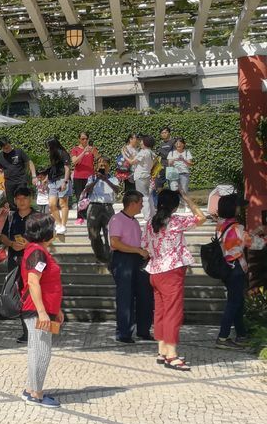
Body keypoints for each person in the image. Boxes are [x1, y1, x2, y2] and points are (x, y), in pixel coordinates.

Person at [144, 188, 205, 371]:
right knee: (172, 312)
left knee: (161, 311)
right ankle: (172, 355)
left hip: (155, 270)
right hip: (172, 271)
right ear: (175, 205)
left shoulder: (149, 223)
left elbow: (145, 246)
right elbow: (201, 218)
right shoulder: (176, 221)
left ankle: (162, 350)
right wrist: (188, 198)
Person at [18, 212, 63, 407]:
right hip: (38, 311)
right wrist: (43, 312)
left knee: (36, 349)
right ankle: (36, 393)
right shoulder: (37, 252)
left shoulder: (39, 251)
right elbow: (33, 282)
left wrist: (56, 310)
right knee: (42, 351)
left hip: (46, 309)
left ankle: (31, 389)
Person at [108, 191, 154, 344]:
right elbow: (114, 243)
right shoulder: (117, 219)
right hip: (123, 259)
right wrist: (137, 250)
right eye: (140, 202)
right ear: (132, 203)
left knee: (144, 295)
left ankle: (143, 329)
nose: (142, 206)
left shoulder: (133, 221)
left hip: (137, 259)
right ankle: (124, 332)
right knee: (125, 296)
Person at [0, 185, 34, 344]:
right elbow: (3, 237)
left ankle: (39, 329)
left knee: (34, 293)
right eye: (18, 198)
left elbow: (47, 237)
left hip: (33, 261)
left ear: (30, 199)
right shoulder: (11, 217)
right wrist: (11, 244)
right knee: (19, 294)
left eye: (24, 198)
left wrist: (29, 244)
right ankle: (27, 331)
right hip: (15, 260)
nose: (21, 201)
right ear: (14, 200)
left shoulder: (38, 217)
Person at [214, 194, 250, 349]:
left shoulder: (221, 224)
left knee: (237, 302)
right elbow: (254, 243)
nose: (239, 208)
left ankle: (241, 334)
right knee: (234, 303)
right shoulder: (237, 228)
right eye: (237, 206)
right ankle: (223, 337)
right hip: (236, 268)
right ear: (232, 208)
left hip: (226, 268)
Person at [84, 159, 120, 264]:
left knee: (109, 233)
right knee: (93, 234)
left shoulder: (113, 179)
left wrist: (105, 180)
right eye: (100, 165)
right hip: (94, 206)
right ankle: (99, 256)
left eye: (105, 165)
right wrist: (97, 179)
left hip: (108, 207)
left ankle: (109, 257)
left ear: (108, 166)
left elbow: (117, 190)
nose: (102, 167)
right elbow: (87, 190)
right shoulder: (92, 178)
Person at [0, 138, 36, 208]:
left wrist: (34, 176)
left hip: (21, 180)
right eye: (5, 148)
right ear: (1, 148)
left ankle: (25, 216)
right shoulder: (0, 156)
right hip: (9, 183)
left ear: (10, 143)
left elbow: (29, 162)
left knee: (22, 200)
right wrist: (1, 180)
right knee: (11, 203)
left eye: (8, 147)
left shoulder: (19, 152)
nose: (7, 149)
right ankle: (15, 216)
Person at [45, 137, 72, 235]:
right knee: (51, 204)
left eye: (48, 146)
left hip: (62, 179)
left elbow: (67, 168)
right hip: (53, 181)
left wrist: (65, 181)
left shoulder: (63, 153)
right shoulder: (52, 155)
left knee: (63, 204)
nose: (47, 148)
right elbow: (52, 168)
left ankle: (63, 225)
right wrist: (46, 179)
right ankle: (59, 223)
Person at [69, 132, 98, 224]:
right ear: (79, 139)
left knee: (90, 197)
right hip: (78, 176)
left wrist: (94, 152)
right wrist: (84, 152)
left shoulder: (92, 149)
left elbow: (98, 159)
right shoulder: (75, 149)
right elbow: (74, 162)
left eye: (86, 138)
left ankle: (90, 216)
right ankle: (80, 217)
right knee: (80, 198)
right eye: (82, 139)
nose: (84, 140)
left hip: (90, 177)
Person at [131, 135, 157, 223]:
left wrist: (125, 155)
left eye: (142, 141)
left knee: (143, 197)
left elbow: (133, 162)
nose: (140, 143)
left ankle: (147, 217)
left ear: (146, 142)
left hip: (140, 176)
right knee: (148, 196)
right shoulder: (151, 152)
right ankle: (152, 214)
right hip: (147, 175)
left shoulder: (143, 152)